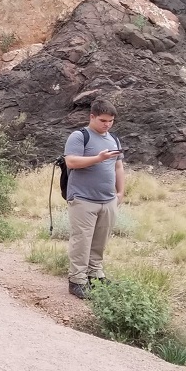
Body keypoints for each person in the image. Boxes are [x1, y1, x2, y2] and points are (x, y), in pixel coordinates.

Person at [63, 98, 126, 299]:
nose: (106, 124)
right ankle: (77, 281)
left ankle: (95, 275)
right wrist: (98, 158)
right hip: (83, 198)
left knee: (100, 241)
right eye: (102, 120)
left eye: (110, 121)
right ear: (92, 116)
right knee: (82, 240)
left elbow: (118, 166)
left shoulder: (114, 139)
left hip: (108, 200)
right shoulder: (79, 136)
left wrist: (121, 192)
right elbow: (71, 162)